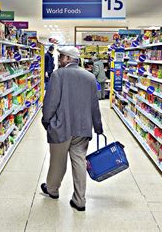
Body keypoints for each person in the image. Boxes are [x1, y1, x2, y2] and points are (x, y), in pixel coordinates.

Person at [40, 46, 103, 212]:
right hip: (82, 128)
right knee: (79, 162)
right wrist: (98, 126)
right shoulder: (89, 77)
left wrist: (47, 121)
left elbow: (51, 102)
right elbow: (94, 105)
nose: (59, 60)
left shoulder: (58, 74)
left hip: (61, 127)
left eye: (61, 57)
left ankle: (52, 190)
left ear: (68, 59)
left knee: (57, 162)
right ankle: (80, 200)